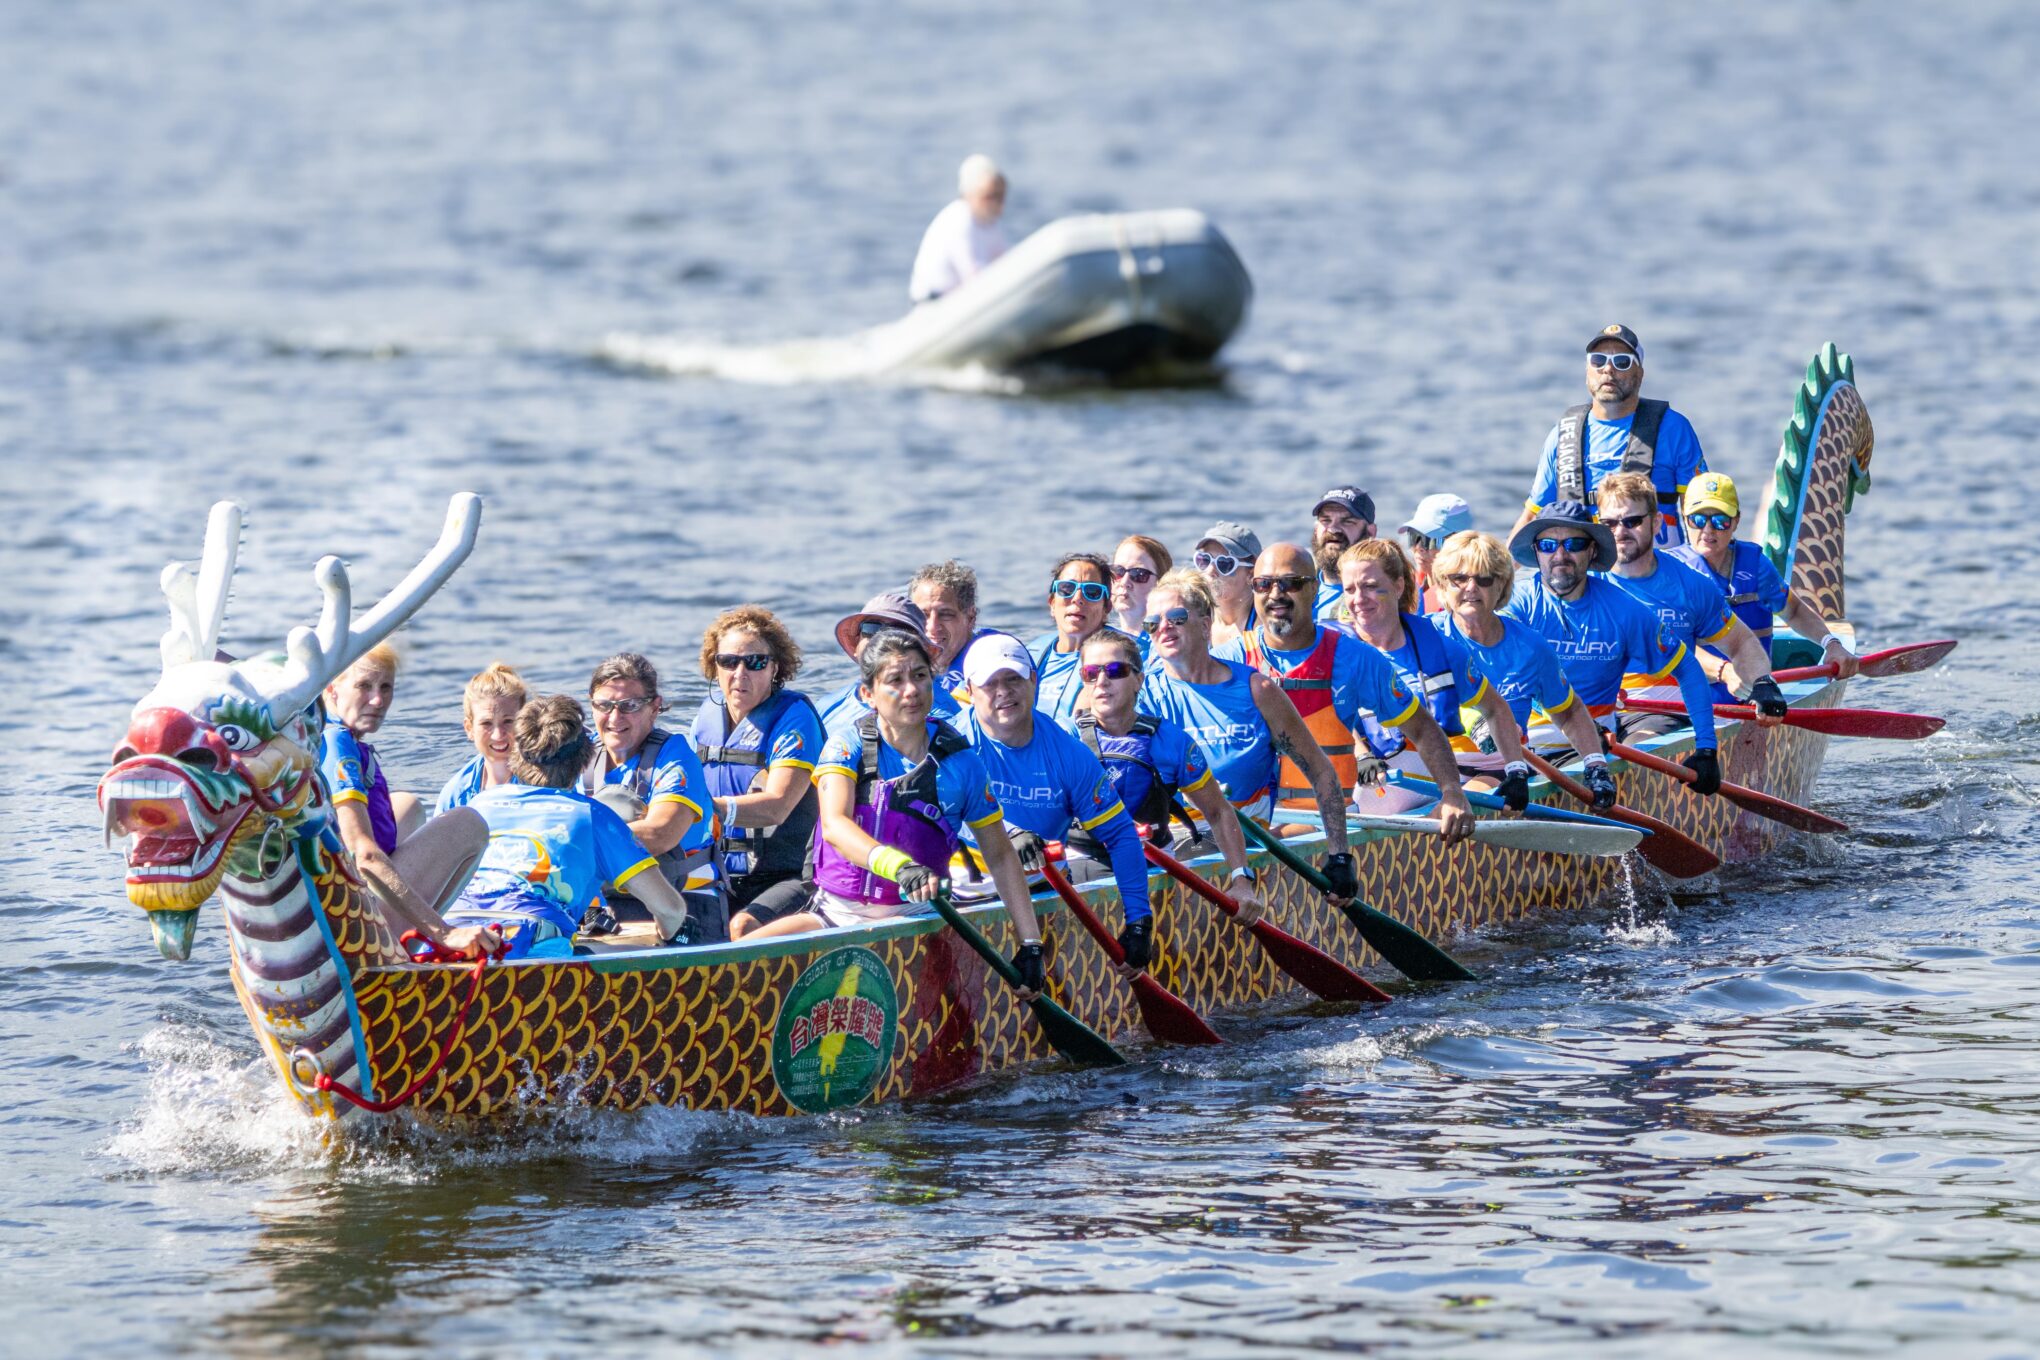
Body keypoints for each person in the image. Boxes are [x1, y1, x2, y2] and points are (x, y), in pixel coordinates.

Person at [743, 632, 1048, 995]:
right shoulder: (846, 745)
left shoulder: (961, 762)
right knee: (737, 961)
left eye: (920, 676)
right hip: (834, 916)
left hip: (919, 919)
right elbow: (836, 826)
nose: (911, 690)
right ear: (867, 695)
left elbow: (999, 855)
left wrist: (1031, 945)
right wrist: (899, 868)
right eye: (895, 680)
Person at [1138, 570, 1433, 900]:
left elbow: (1321, 772)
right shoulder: (1142, 696)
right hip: (1166, 840)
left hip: (1243, 840)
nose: (1163, 627)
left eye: (1176, 618)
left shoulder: (1256, 690)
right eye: (1152, 622)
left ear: (1206, 623)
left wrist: (1339, 857)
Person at [1216, 543, 1483, 822]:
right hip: (1249, 819)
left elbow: (1424, 730)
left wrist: (1452, 793)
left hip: (1325, 820)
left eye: (1290, 584)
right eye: (1263, 584)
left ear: (1314, 590)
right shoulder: (1226, 661)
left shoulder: (1355, 658)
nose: (1275, 594)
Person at [953, 634, 1158, 968]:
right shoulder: (952, 745)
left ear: (1033, 681)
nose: (1004, 692)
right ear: (970, 690)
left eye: (1013, 679)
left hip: (1045, 893)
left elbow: (1121, 836)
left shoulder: (1068, 753)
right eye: (990, 683)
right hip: (965, 900)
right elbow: (944, 812)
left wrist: (1138, 920)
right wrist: (1008, 832)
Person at [1501, 502, 1724, 794]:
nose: (1560, 555)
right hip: (1522, 752)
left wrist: (1706, 748)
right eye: (1547, 544)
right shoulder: (1515, 606)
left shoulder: (1623, 610)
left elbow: (1688, 668)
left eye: (1574, 544)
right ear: (1536, 551)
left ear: (1592, 551)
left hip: (1590, 753)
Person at [444, 695, 690, 959]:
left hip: (453, 934)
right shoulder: (593, 815)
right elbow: (670, 910)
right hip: (529, 944)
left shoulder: (477, 804)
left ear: (517, 755)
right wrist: (670, 937)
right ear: (585, 760)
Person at [1066, 630, 1266, 923]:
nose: (1102, 681)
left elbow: (1217, 811)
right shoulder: (1063, 739)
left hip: (1155, 866)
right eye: (1091, 673)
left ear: (1138, 680)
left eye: (1114, 670)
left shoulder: (1170, 742)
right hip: (1082, 864)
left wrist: (1241, 880)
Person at [320, 646, 493, 955]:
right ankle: (407, 945)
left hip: (342, 897)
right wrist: (446, 932)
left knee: (408, 805)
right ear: (332, 689)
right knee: (467, 823)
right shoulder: (337, 744)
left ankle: (409, 928)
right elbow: (364, 853)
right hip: (352, 930)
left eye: (386, 687)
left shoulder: (329, 732)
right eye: (363, 686)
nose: (377, 700)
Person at [1433, 531, 1619, 809]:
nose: (1470, 588)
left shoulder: (1530, 646)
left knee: (1454, 804)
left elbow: (1568, 712)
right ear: (1443, 585)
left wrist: (1596, 767)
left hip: (1500, 770)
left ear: (1502, 587)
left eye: (1483, 579)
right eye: (1459, 578)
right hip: (1429, 766)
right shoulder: (1426, 638)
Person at [1595, 472, 1789, 734]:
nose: (1620, 532)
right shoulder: (1583, 581)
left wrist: (1762, 682)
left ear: (1656, 523)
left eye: (1632, 521)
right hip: (1591, 713)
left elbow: (1741, 642)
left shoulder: (1691, 584)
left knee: (1640, 743)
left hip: (1661, 712)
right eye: (1609, 523)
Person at [1512, 324, 1708, 550]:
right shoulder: (1562, 435)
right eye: (1598, 360)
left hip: (1659, 572)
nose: (1608, 369)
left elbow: (1701, 516)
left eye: (1621, 362)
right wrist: (1499, 576)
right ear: (1587, 370)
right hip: (1588, 573)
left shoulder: (1673, 428)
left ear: (1640, 373)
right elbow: (1530, 518)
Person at [1666, 471, 1859, 697]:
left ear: (1736, 521)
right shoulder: (1669, 572)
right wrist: (1726, 673)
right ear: (1684, 517)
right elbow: (1669, 646)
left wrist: (1831, 643)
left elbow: (1794, 611)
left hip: (1756, 698)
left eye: (1720, 521)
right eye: (1698, 520)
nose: (1708, 530)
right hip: (1691, 702)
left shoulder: (1756, 566)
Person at [690, 606, 825, 920]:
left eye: (755, 662)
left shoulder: (794, 719)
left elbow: (777, 806)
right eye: (728, 662)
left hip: (789, 875)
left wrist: (711, 810)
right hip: (719, 873)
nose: (740, 674)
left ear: (775, 668)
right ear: (714, 666)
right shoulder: (704, 720)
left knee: (743, 926)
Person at [578, 652, 723, 942]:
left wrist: (571, 846)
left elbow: (660, 833)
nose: (615, 718)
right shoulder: (581, 755)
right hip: (607, 908)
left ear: (655, 707)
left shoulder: (676, 756)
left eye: (629, 706)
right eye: (604, 706)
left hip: (685, 902)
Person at [817, 592, 956, 730]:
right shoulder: (826, 707)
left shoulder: (945, 718)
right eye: (871, 628)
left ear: (922, 652)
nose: (882, 639)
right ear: (856, 645)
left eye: (899, 631)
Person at [1030, 552, 1127, 722]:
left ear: (1107, 608)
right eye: (1066, 589)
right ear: (1052, 603)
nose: (1077, 598)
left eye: (1092, 591)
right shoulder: (1032, 653)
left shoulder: (1126, 655)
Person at [908, 153, 1010, 304]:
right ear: (969, 194)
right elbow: (974, 274)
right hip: (933, 302)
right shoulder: (960, 219)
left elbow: (1006, 261)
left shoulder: (989, 223)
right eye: (990, 196)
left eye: (1001, 196)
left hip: (958, 300)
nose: (997, 203)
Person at [433, 662, 528, 813]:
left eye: (508, 721)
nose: (498, 735)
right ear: (469, 729)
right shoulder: (456, 795)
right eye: (486, 723)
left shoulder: (547, 777)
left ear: (525, 722)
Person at [911, 560, 1000, 706]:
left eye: (946, 614)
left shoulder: (993, 658)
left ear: (970, 618)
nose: (932, 627)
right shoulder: (903, 659)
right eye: (923, 614)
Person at [1397, 494, 1475, 615]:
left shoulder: (1467, 602)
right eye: (1414, 537)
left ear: (1462, 543)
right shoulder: (1404, 587)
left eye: (1430, 540)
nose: (1418, 547)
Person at [1309, 487, 1375, 626]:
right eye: (1326, 520)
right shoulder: (1297, 586)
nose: (1333, 529)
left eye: (1347, 521)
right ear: (1316, 530)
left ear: (1370, 532)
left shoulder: (1388, 591)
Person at [1194, 522, 1262, 651]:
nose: (1210, 571)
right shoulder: (1193, 620)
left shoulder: (1264, 628)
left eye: (1225, 563)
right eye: (1204, 560)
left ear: (1251, 574)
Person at [1108, 534, 1171, 648]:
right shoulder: (1100, 640)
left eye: (1139, 574)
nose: (1124, 582)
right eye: (1118, 572)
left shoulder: (1168, 645)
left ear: (1161, 584)